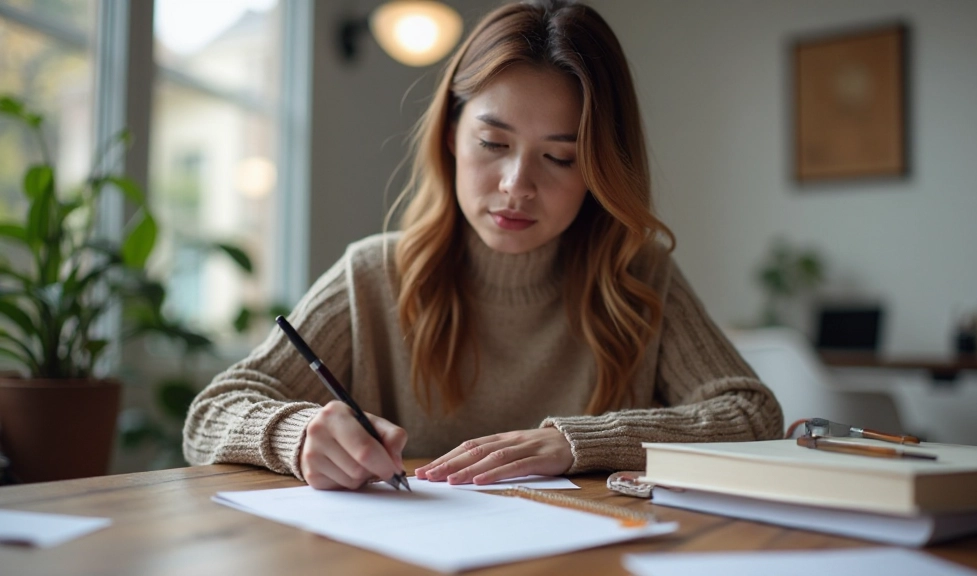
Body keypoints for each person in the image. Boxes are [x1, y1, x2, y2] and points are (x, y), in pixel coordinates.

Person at [183, 0, 783, 491]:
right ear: (450, 135)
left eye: (560, 157)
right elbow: (212, 414)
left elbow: (752, 413)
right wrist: (300, 434)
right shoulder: (373, 275)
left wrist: (576, 442)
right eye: (493, 143)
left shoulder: (636, 274)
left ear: (600, 167)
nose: (517, 186)